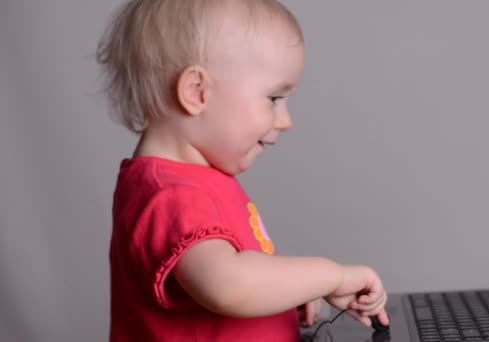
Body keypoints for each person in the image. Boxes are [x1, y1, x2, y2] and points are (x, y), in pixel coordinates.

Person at [97, 0, 389, 340]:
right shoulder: (171, 195)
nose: (286, 120)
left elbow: (223, 296)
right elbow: (228, 285)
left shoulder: (193, 181)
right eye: (274, 98)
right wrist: (331, 276)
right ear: (197, 92)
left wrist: (289, 296)